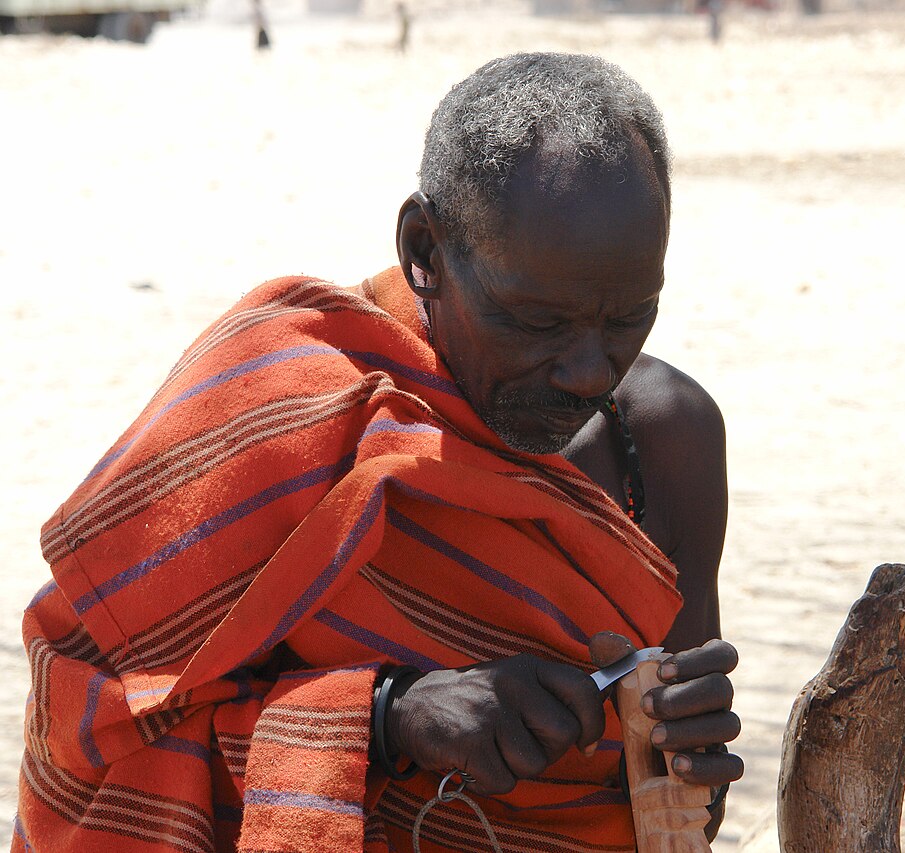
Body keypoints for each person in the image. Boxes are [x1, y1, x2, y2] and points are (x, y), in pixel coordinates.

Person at [14, 53, 742, 852]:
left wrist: (685, 752)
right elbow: (88, 719)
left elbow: (683, 818)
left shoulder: (666, 445)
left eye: (630, 316)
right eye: (536, 323)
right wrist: (393, 718)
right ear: (424, 250)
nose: (589, 368)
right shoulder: (286, 403)